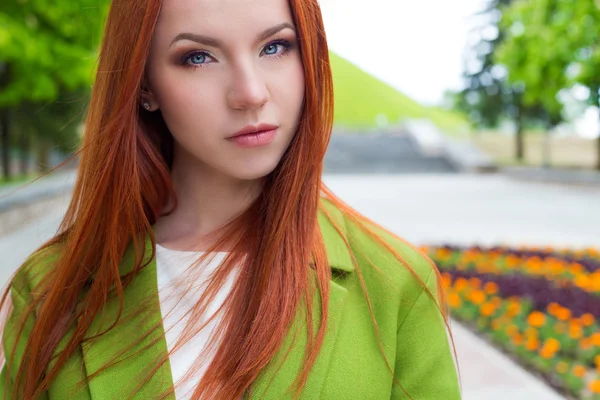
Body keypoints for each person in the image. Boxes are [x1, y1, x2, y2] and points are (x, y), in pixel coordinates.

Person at [0, 0, 462, 398]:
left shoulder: (394, 282)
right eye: (198, 57)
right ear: (144, 86)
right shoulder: (51, 290)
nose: (250, 93)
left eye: (275, 47)